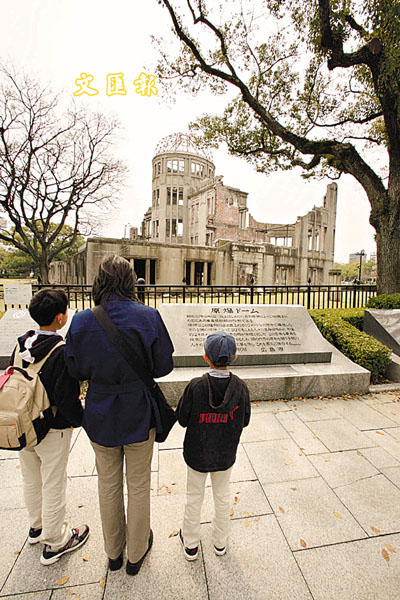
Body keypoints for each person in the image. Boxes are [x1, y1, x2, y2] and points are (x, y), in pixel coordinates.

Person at [65, 255, 174, 575]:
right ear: (130, 281)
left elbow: (75, 369)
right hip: (138, 410)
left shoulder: (82, 320)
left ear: (99, 282)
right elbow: (163, 366)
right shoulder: (148, 316)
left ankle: (113, 552)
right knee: (138, 485)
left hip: (100, 411)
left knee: (108, 484)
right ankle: (136, 553)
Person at [15, 289, 88, 566]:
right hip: (52, 427)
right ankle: (56, 540)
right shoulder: (59, 351)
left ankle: (37, 526)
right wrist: (80, 420)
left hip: (23, 425)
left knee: (31, 477)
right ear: (60, 317)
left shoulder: (21, 346)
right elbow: (66, 397)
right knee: (53, 481)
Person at [177, 331, 251, 560]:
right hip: (225, 453)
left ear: (205, 357)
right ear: (234, 357)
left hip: (197, 453)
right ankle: (220, 542)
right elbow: (245, 420)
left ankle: (190, 543)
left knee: (194, 496)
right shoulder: (240, 388)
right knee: (222, 496)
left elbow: (182, 419)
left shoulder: (196, 386)